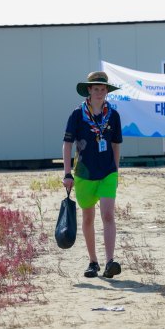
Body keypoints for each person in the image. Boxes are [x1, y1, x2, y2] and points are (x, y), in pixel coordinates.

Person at [62, 71, 123, 279]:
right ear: (88, 90)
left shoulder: (113, 115)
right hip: (84, 173)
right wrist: (67, 173)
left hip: (107, 172)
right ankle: (93, 262)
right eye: (95, 88)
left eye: (103, 89)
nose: (99, 92)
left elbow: (116, 145)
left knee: (108, 215)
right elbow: (67, 144)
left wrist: (115, 170)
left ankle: (110, 262)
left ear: (107, 91)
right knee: (88, 217)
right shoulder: (77, 114)